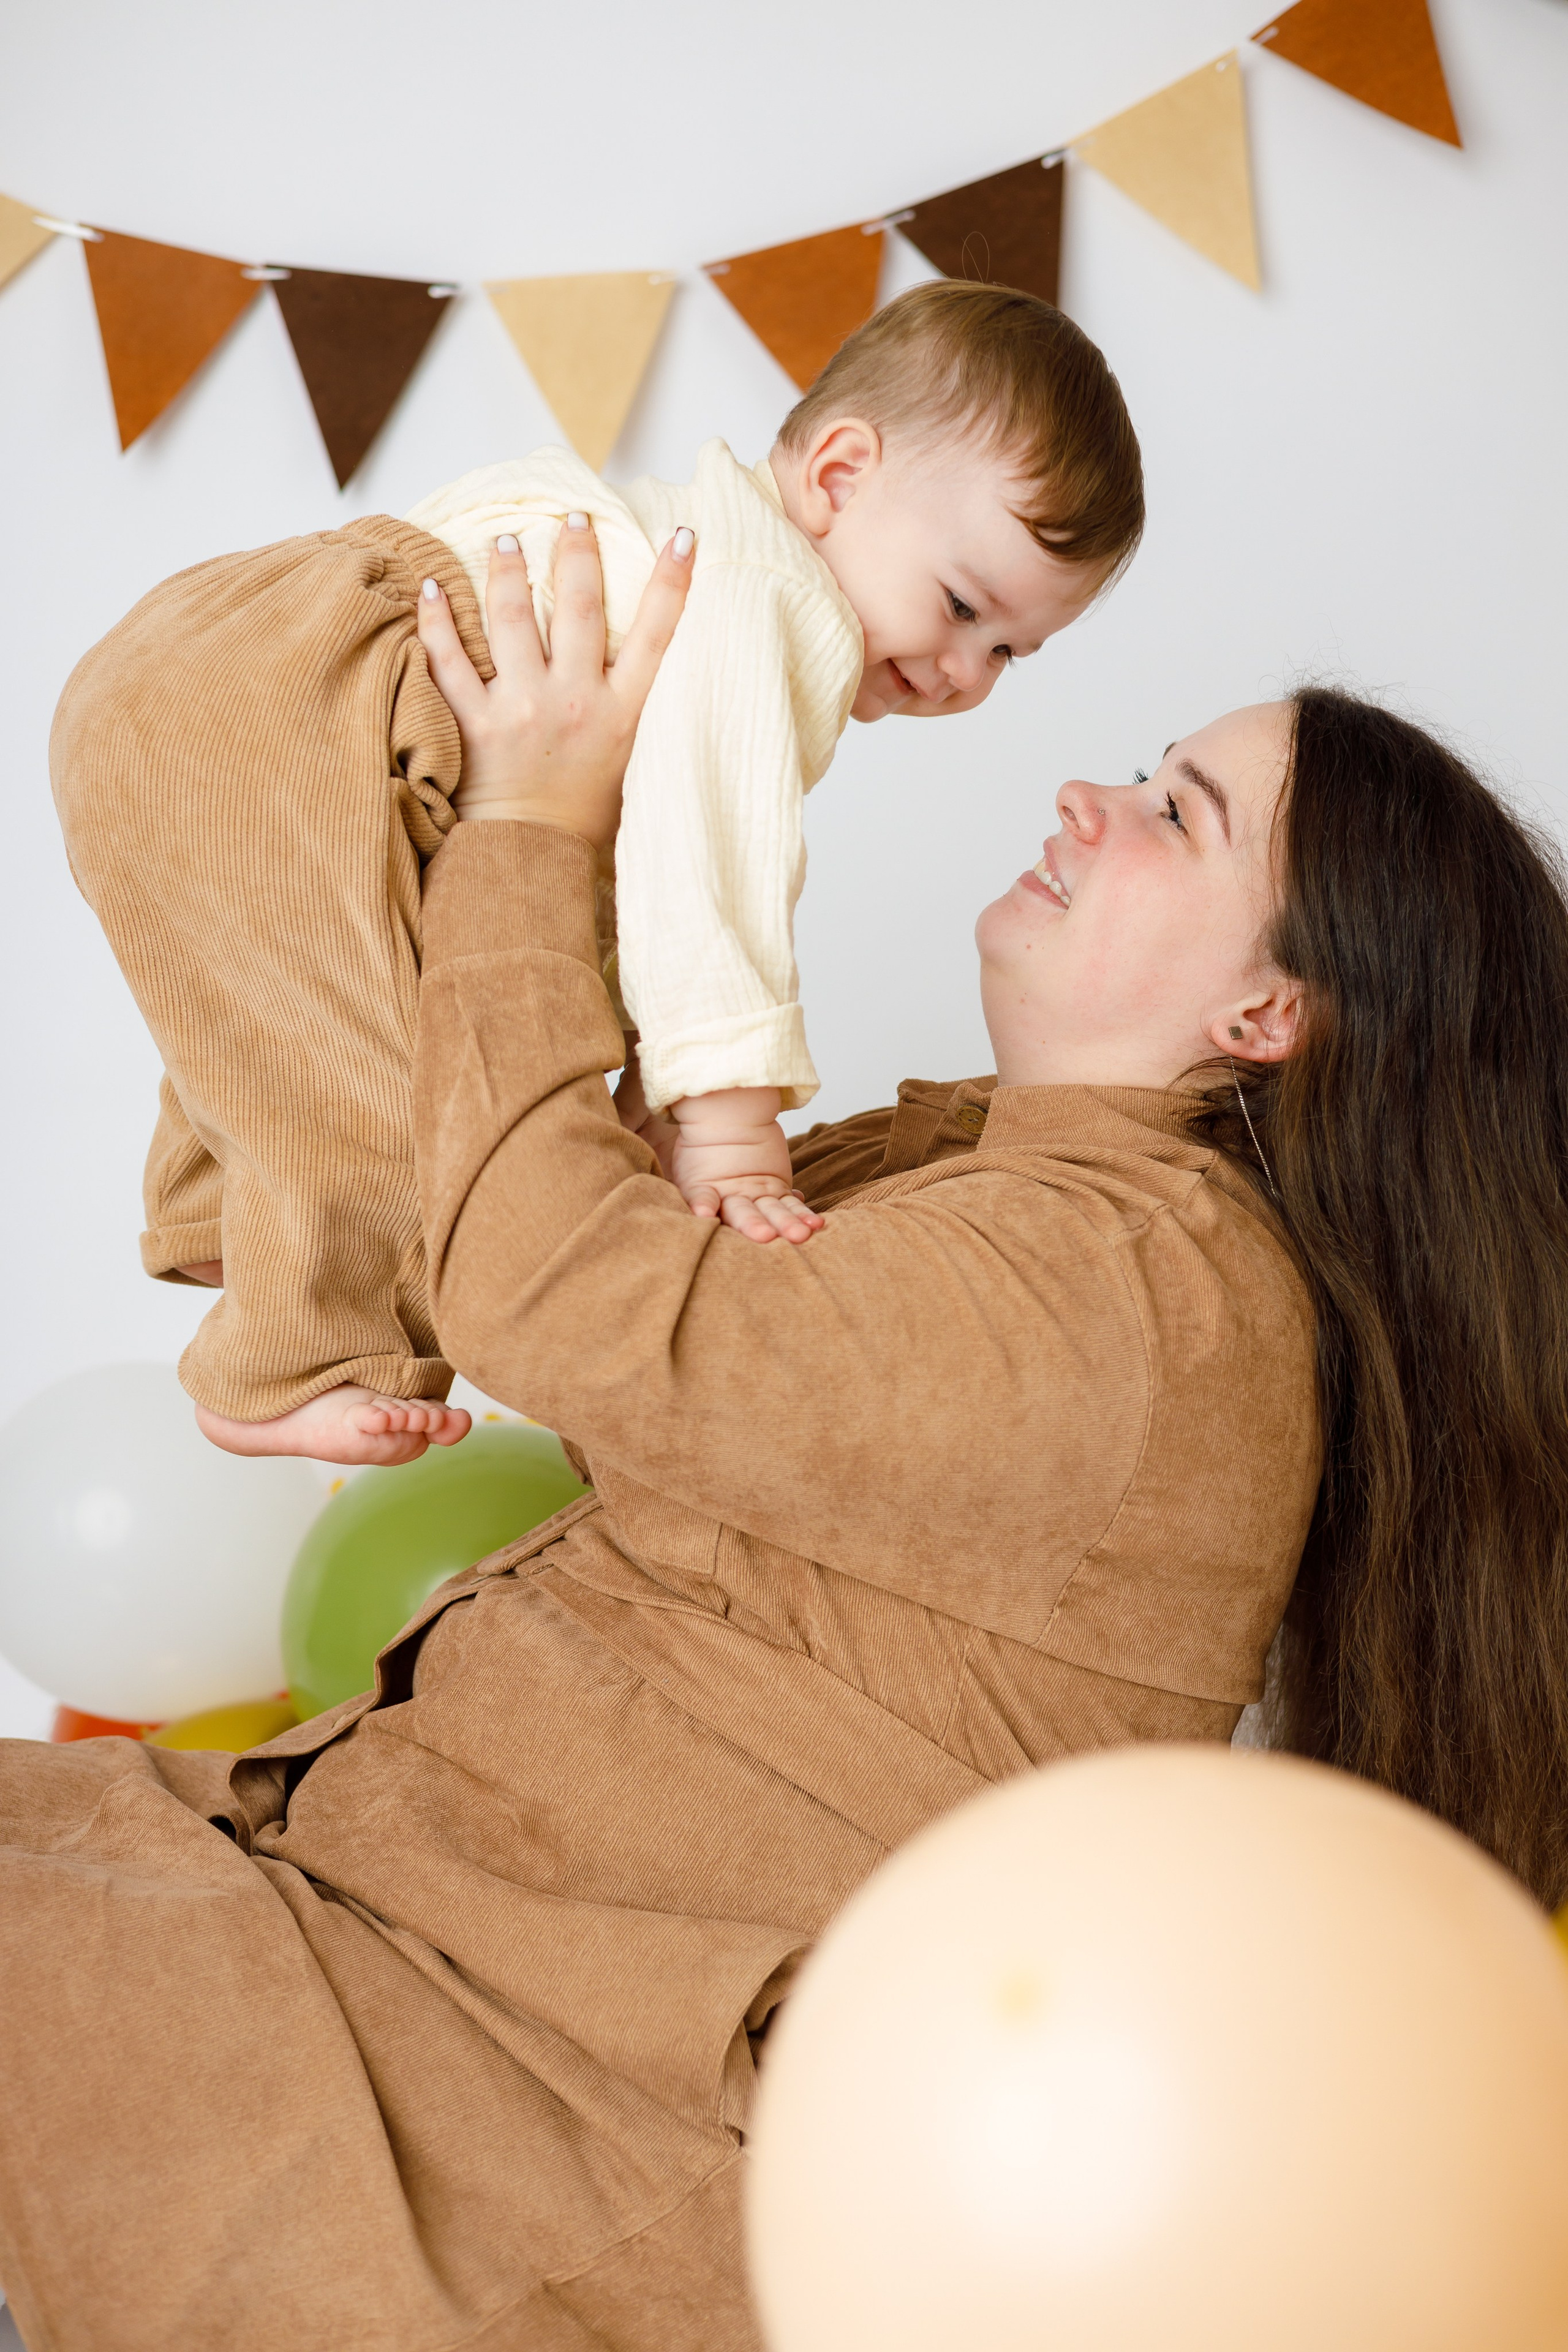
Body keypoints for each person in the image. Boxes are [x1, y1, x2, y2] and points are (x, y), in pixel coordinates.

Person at [5, 527, 1566, 2352]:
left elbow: (564, 1288)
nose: (1087, 795)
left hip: (503, 2097)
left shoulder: (1139, 1290)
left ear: (1267, 1013)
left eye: (1177, 812)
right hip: (359, 1912)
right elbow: (501, 1201)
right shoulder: (1001, 1181)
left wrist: (536, 815)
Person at [47, 281, 1142, 1468]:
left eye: (1007, 655)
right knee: (408, 1079)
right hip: (295, 702)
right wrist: (725, 1132)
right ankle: (285, 1365)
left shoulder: (664, 529)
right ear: (835, 476)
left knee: (282, 1008)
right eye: (961, 606)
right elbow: (703, 866)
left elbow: (598, 888)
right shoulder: (765, 597)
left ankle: (226, 1229)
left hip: (206, 650)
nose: (962, 673)